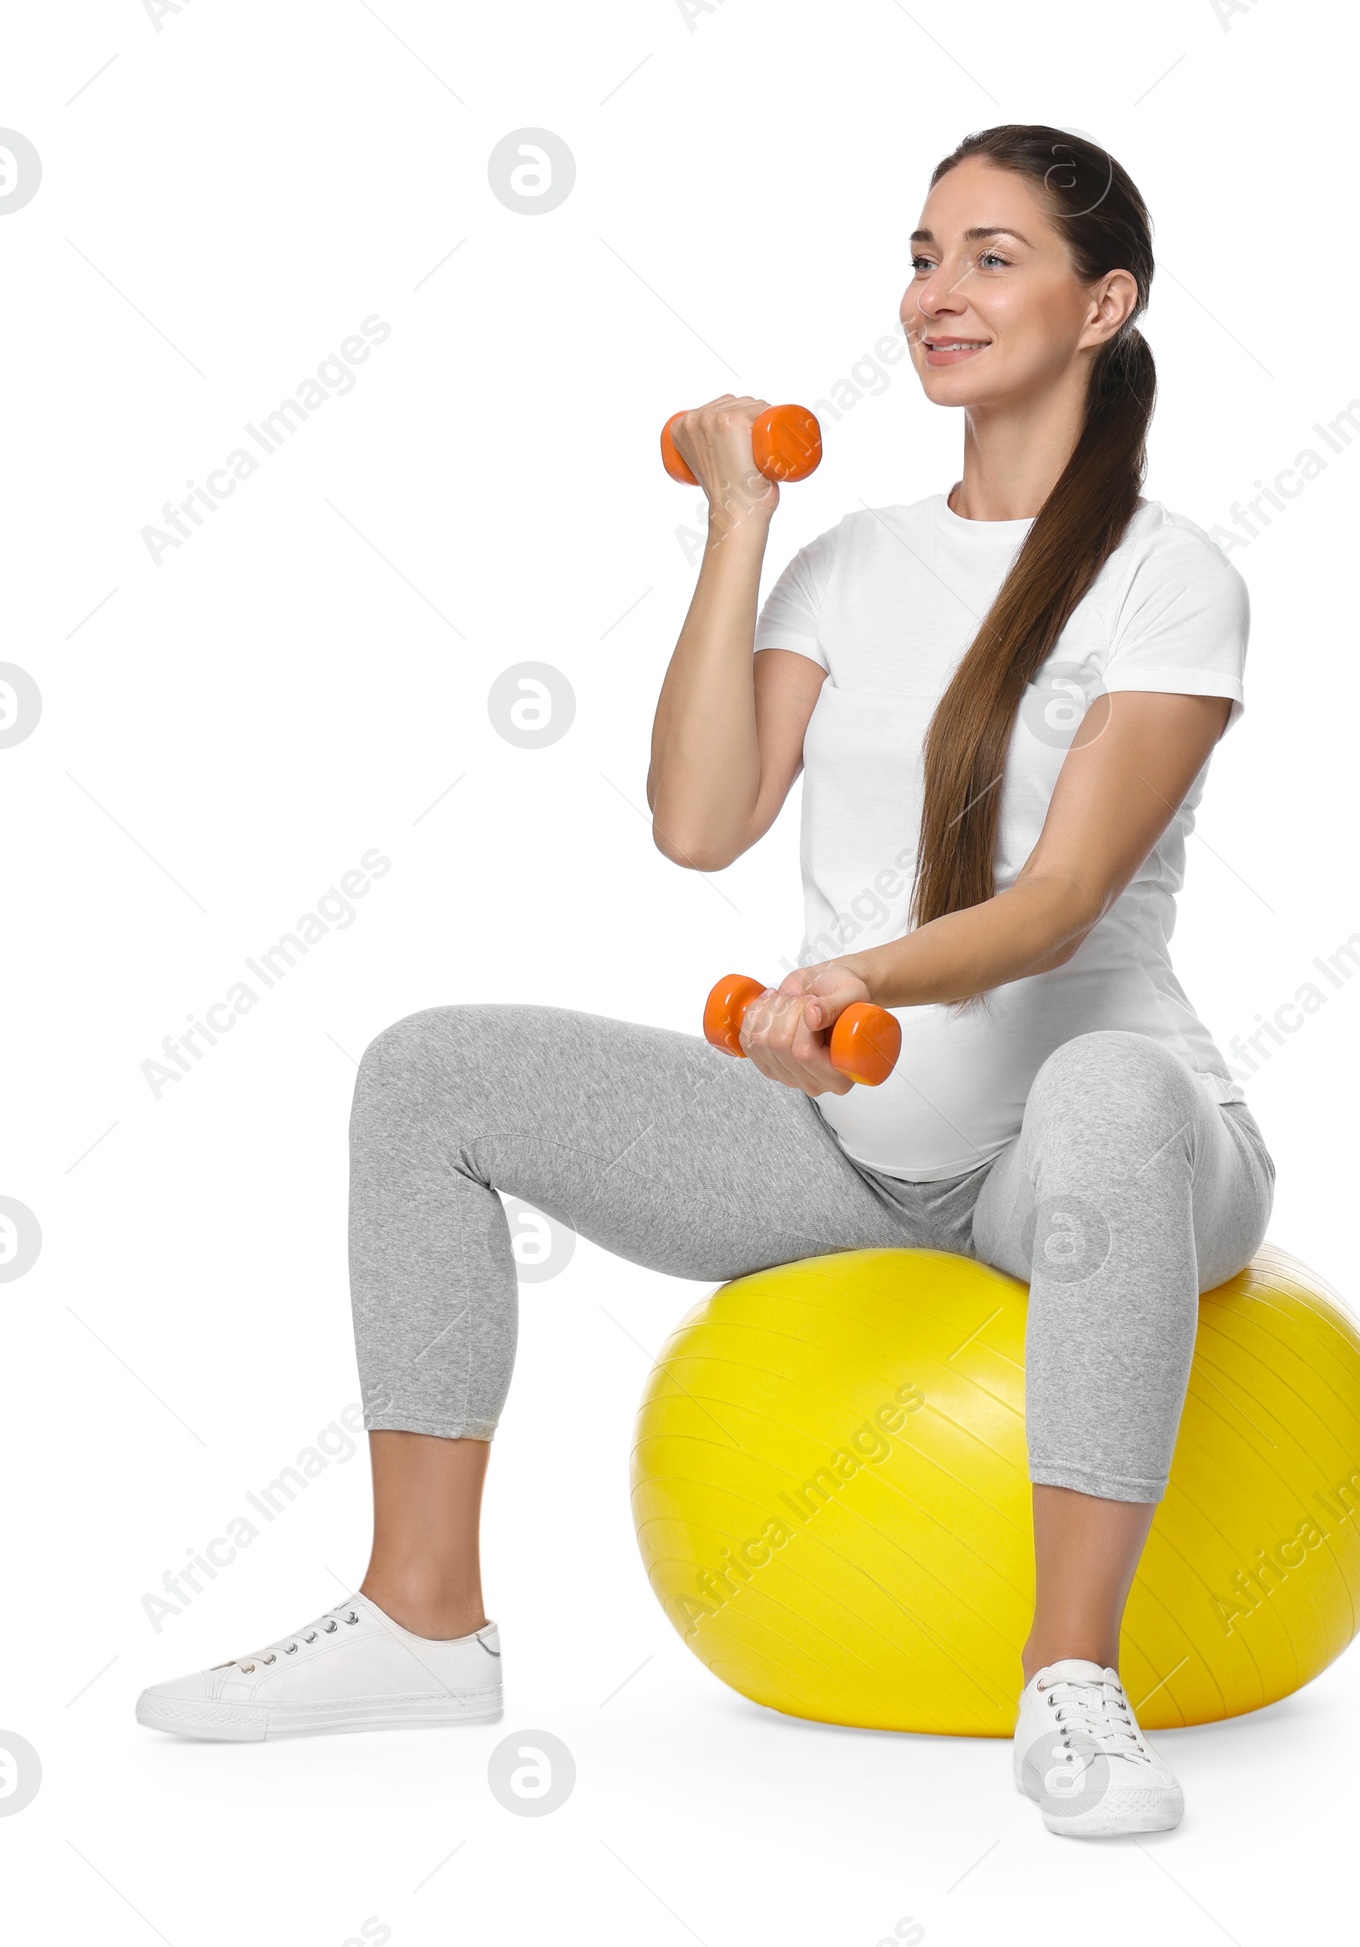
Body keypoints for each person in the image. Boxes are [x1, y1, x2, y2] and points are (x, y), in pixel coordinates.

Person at [137, 123, 1274, 1840]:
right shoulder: (851, 566)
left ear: (1104, 303)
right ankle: (421, 1614)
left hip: (1094, 1157)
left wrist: (846, 976)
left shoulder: (1168, 575)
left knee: (1109, 1088)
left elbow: (1057, 907)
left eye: (990, 255)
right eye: (919, 253)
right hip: (846, 1148)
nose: (934, 294)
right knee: (430, 1070)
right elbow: (697, 820)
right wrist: (742, 521)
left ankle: (1070, 1684)